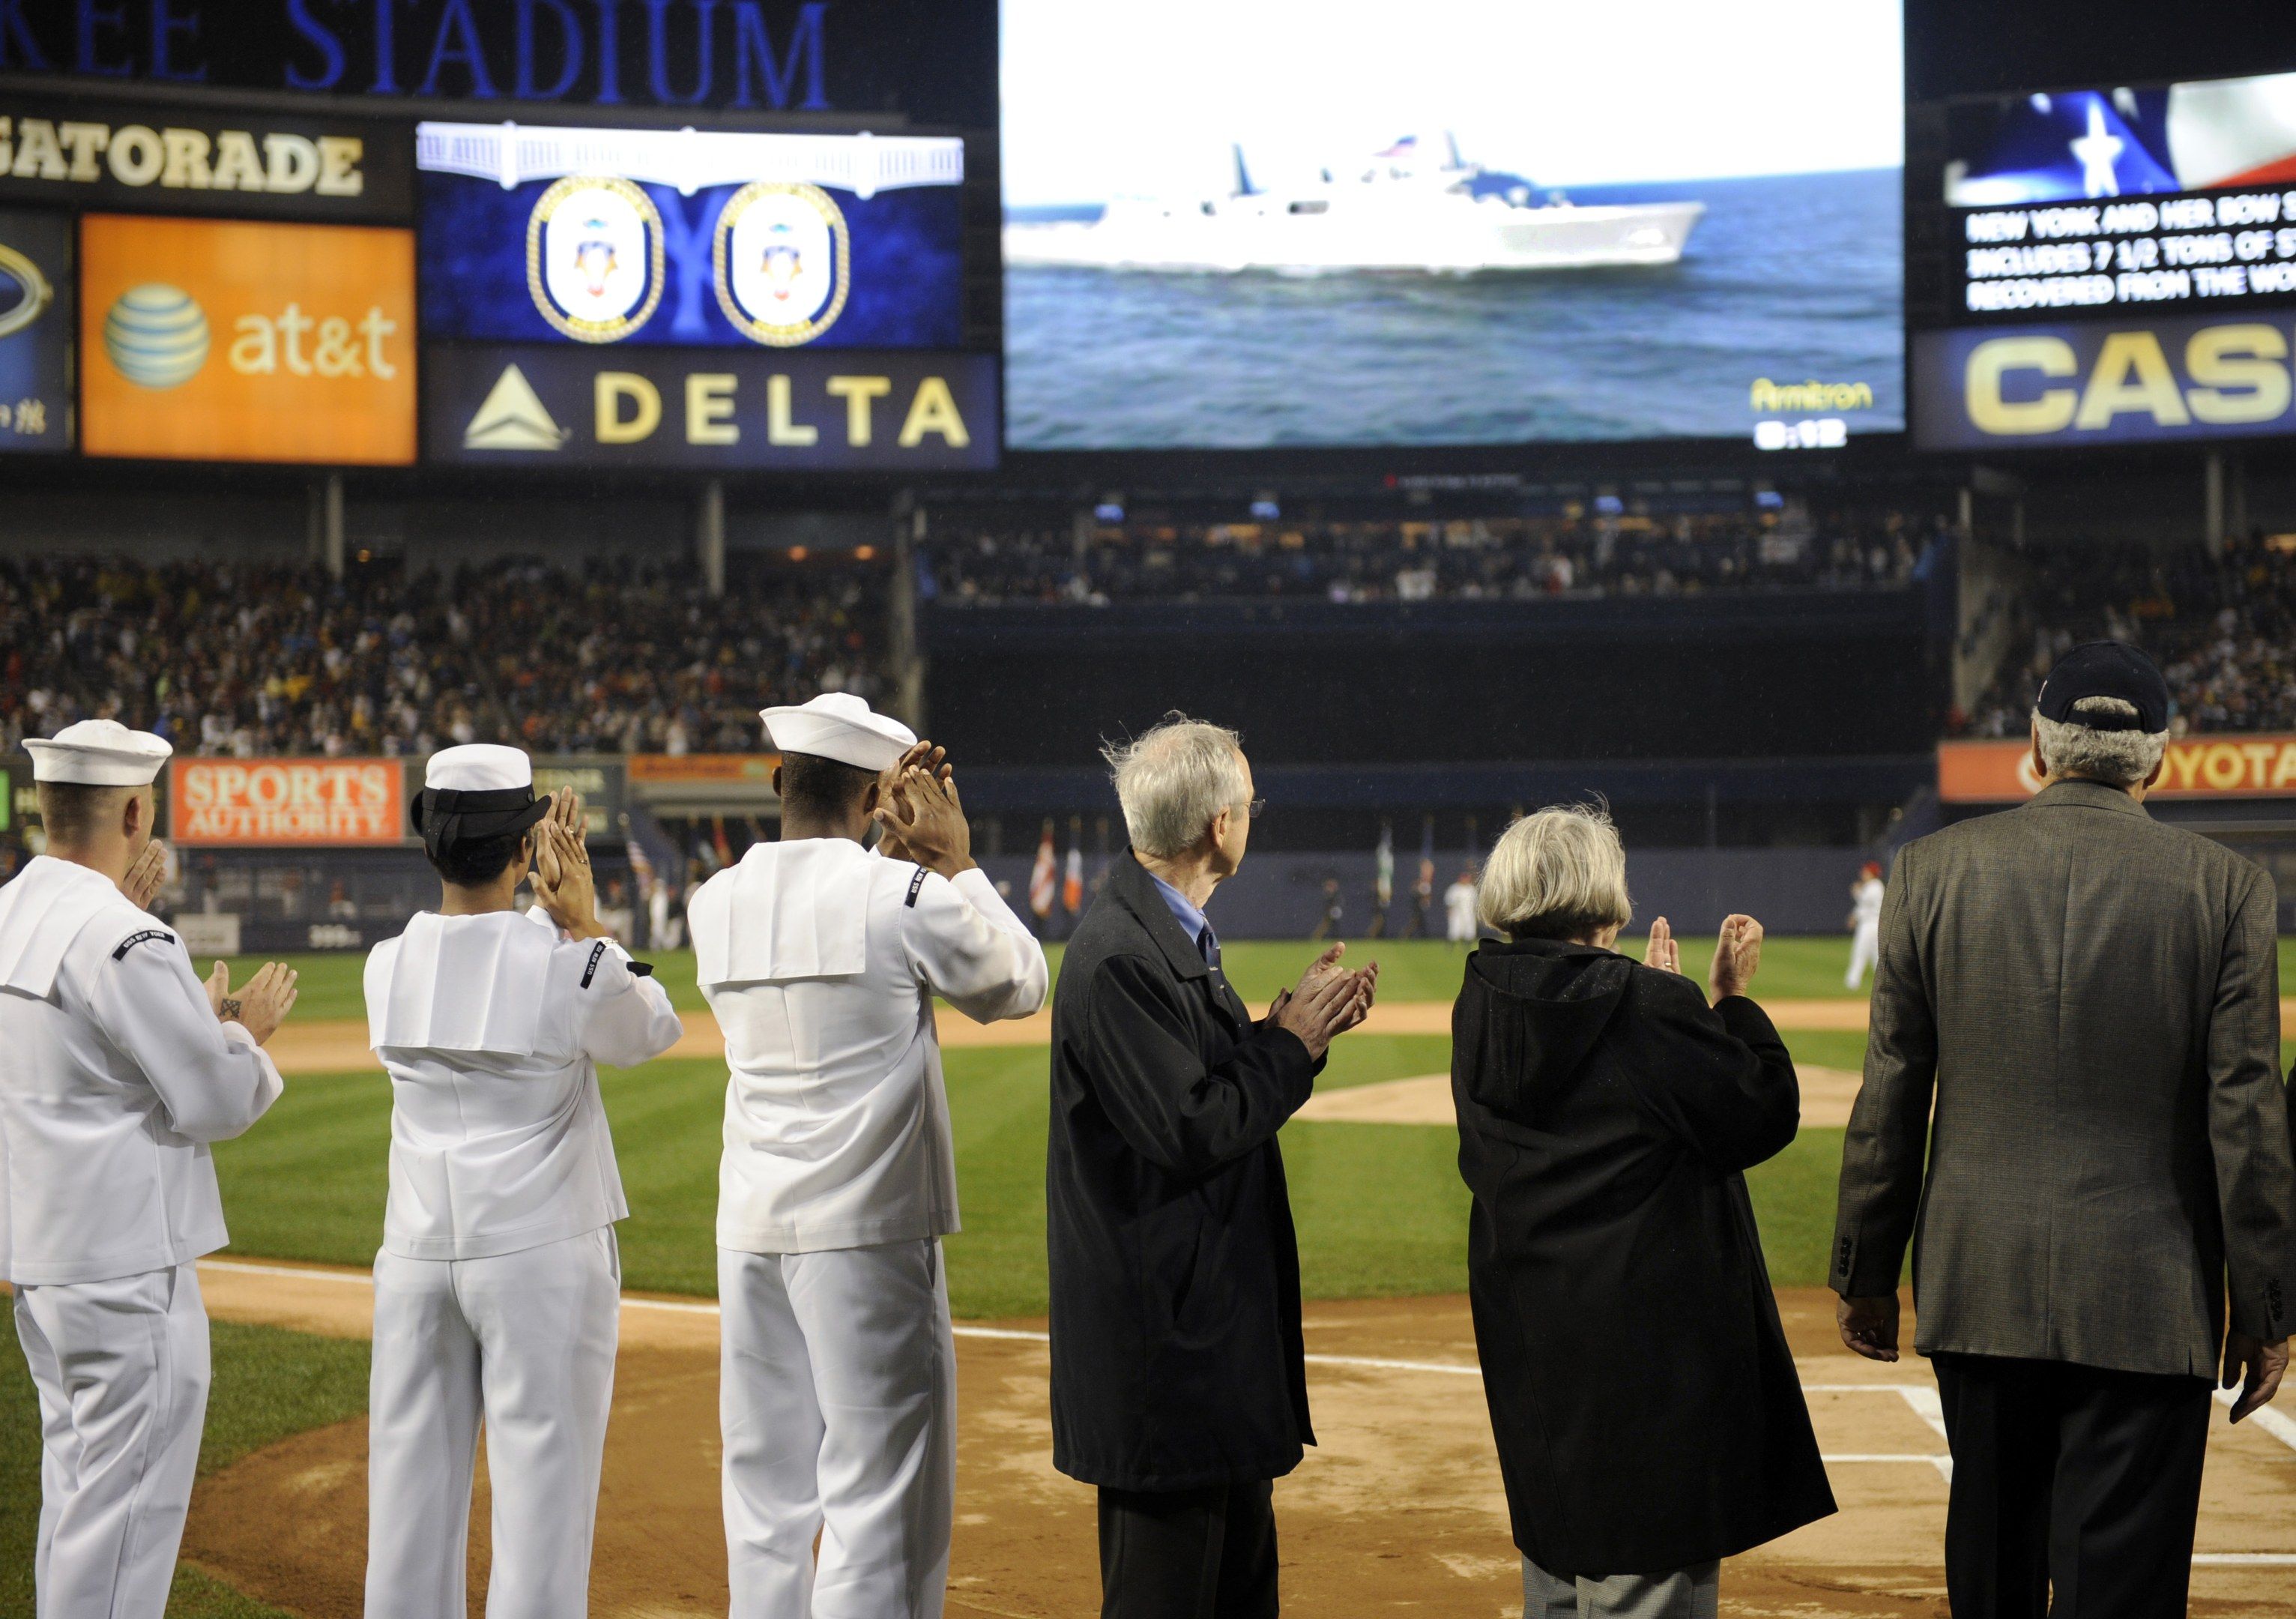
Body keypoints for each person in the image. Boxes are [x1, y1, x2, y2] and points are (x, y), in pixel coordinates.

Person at [1833, 642, 2296, 1618]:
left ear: (2035, 751)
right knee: (2121, 1590)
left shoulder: (1930, 873)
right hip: (2149, 1295)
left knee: (1993, 1573)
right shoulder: (2229, 891)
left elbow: (1891, 1097)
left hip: (1982, 1288)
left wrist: (1867, 1272)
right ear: (2160, 761)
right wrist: (2265, 1307)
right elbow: (2246, 1116)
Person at [690, 693, 1047, 1618]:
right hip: (868, 1236)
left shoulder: (710, 900)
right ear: (879, 800)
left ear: (779, 782)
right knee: (879, 1502)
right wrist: (955, 861)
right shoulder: (905, 893)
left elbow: (827, 908)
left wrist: (889, 858)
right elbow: (1019, 983)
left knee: (765, 1503)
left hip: (751, 1232)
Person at [1455, 807, 1834, 1617]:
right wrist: (1724, 1004)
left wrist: (1664, 1008)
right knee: (1649, 1572)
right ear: (1606, 899)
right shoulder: (1637, 1005)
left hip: (1534, 1336)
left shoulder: (1480, 995)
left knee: (1557, 1562)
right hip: (1648, 1355)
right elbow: (1758, 1113)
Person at [1048, 715, 1378, 1619]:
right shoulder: (1122, 954)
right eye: (1248, 799)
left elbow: (1190, 1090)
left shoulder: (1162, 932)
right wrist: (1294, 1048)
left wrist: (1274, 1034)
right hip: (1168, 1360)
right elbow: (1190, 1128)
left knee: (1235, 1590)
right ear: (1218, 826)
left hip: (1204, 1347)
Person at [362, 745, 682, 1619]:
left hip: (418, 1256)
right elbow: (651, 1030)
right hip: (541, 1257)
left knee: (406, 1505)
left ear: (430, 844)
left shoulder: (384, 963)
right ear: (527, 848)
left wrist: (558, 928)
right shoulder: (563, 960)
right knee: (542, 1501)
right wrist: (584, 923)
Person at [0, 718, 296, 1619]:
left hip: (46, 1269)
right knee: (125, 1527)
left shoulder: (12, 910)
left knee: (78, 1505)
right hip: (129, 1276)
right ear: (135, 811)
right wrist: (241, 1027)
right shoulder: (129, 940)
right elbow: (215, 1096)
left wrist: (183, 1010)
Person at [1843, 860, 1883, 990]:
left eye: (1866, 871)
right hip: (1873, 924)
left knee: (1860, 952)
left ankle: (1852, 982)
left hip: (1870, 925)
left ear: (1871, 873)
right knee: (1875, 956)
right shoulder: (1873, 886)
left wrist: (1857, 892)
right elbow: (1863, 906)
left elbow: (1864, 903)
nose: (1863, 873)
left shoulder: (1875, 886)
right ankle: (1883, 982)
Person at [1444, 867, 1478, 944]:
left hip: (1468, 913)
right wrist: (1449, 911)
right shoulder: (1455, 889)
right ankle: (1450, 947)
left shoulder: (1471, 889)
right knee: (1455, 929)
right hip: (1457, 913)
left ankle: (1467, 947)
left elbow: (1475, 903)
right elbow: (1450, 901)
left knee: (1469, 930)